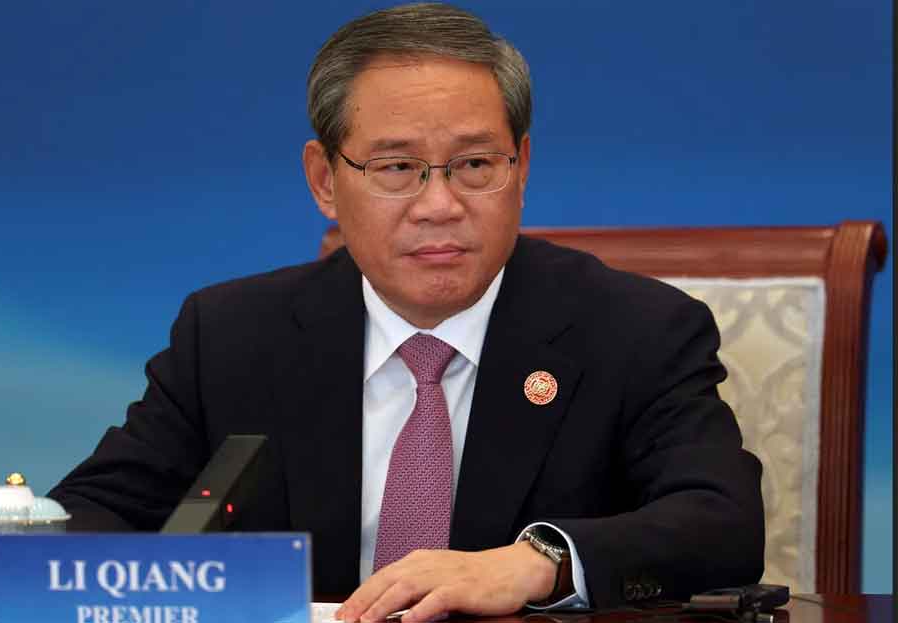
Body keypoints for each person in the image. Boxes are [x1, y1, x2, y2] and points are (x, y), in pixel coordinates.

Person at [48, 3, 764, 621]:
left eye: (475, 165)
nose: (439, 205)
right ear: (325, 180)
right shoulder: (233, 336)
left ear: (521, 167)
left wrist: (537, 561)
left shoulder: (635, 332)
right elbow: (89, 515)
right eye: (397, 168)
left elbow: (722, 522)